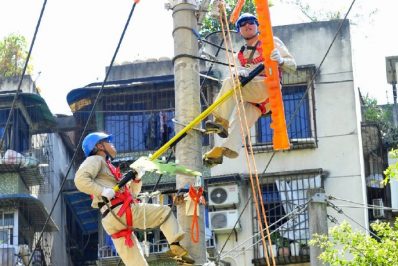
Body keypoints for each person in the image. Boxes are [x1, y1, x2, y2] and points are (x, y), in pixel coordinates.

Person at [74, 132, 194, 266]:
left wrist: (136, 179)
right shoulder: (95, 160)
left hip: (111, 219)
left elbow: (132, 195)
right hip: (121, 211)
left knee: (136, 264)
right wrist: (102, 191)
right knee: (164, 212)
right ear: (99, 146)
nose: (111, 144)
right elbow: (80, 180)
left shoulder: (108, 167)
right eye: (107, 141)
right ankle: (175, 245)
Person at [203, 13, 297, 166]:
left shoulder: (271, 42)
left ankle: (220, 120)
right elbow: (235, 73)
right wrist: (238, 73)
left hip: (268, 87)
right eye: (243, 24)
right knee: (241, 121)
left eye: (251, 22)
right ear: (239, 30)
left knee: (230, 83)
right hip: (257, 99)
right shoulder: (238, 55)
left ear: (257, 25)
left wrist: (280, 60)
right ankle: (223, 149)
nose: (247, 25)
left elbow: (293, 66)